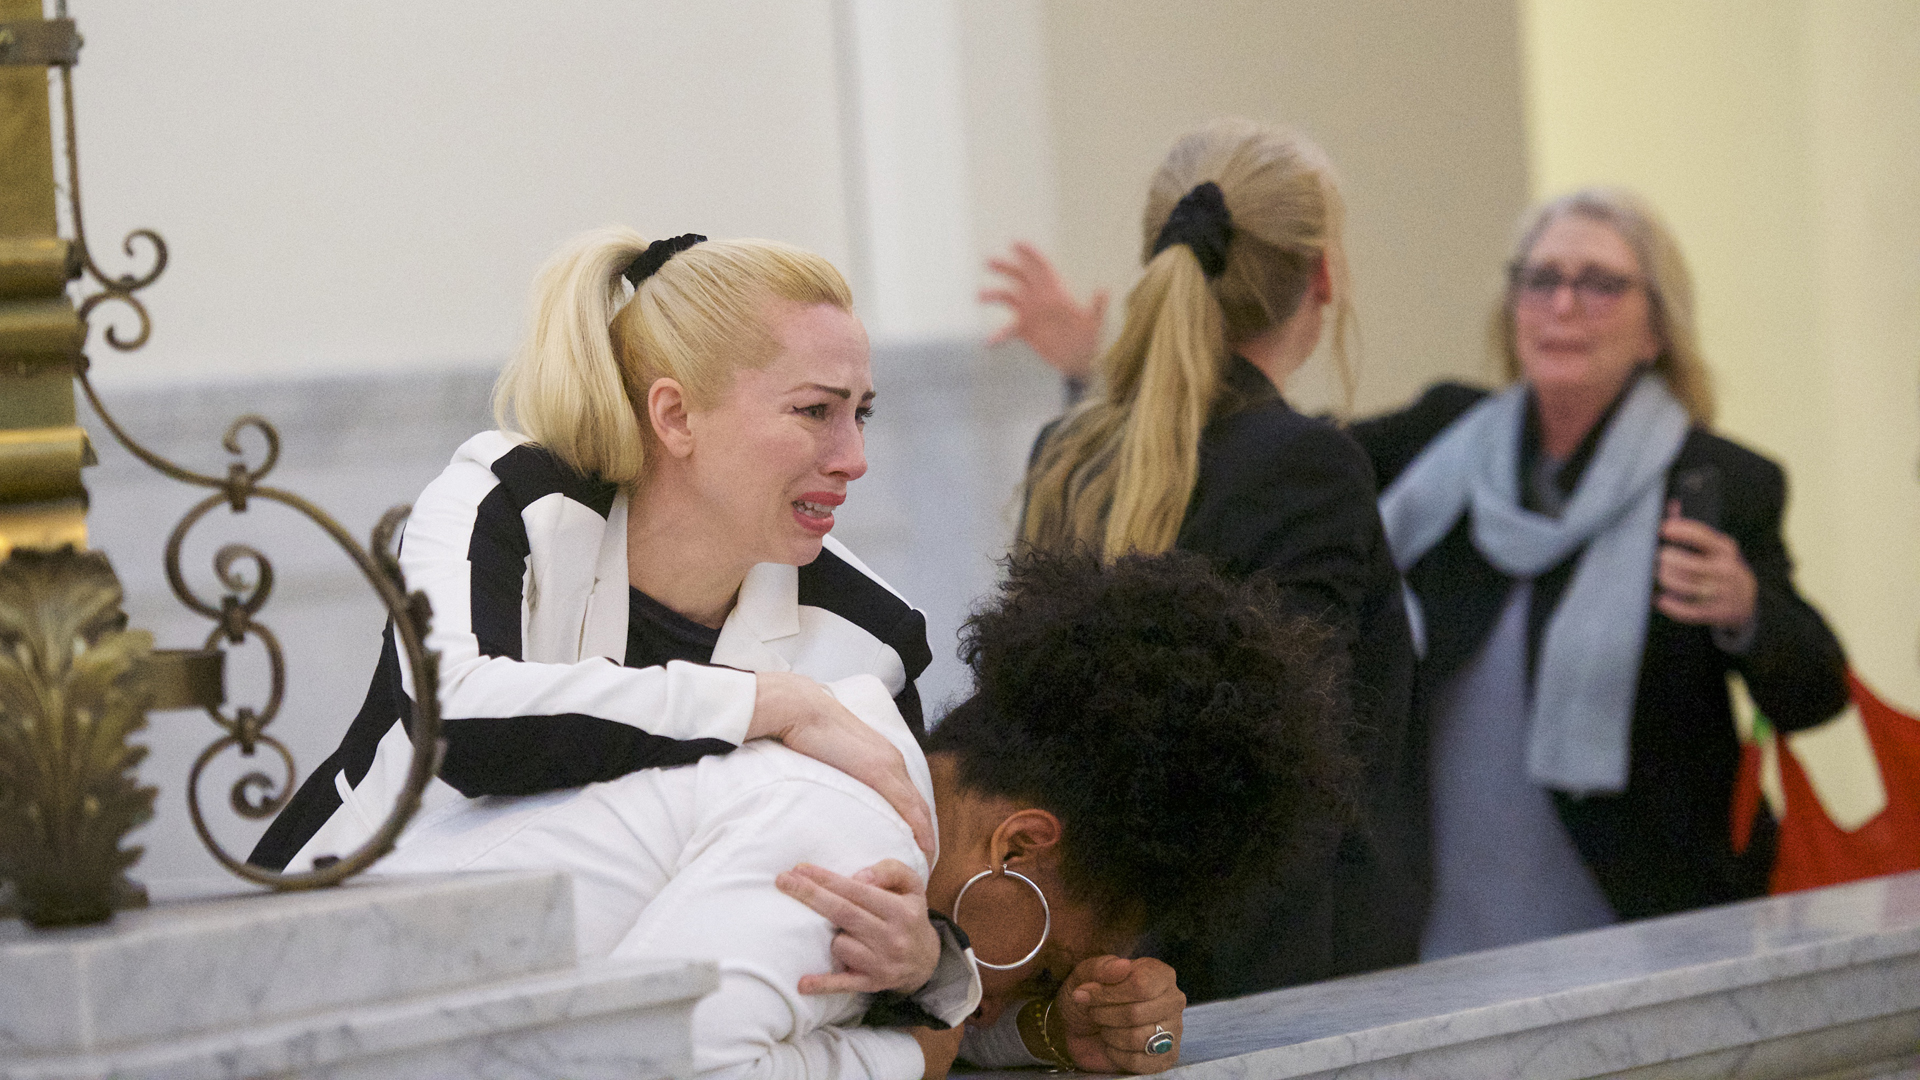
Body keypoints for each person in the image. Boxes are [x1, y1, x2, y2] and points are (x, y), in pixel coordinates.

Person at [252, 228, 958, 1018]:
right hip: (310, 961)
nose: (854, 456)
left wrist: (922, 963)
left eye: (861, 412)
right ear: (676, 416)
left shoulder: (874, 634)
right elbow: (457, 726)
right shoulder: (509, 499)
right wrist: (772, 704)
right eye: (815, 411)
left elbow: (890, 885)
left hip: (578, 1011)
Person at [377, 549, 1357, 1078]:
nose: (1042, 985)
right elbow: (655, 1069)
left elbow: (899, 991)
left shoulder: (888, 804)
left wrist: (1064, 1035)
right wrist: (911, 1052)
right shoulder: (848, 830)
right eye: (1054, 966)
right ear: (1019, 845)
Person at [984, 118, 1423, 1000]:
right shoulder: (1302, 465)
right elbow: (1283, 780)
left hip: (1100, 972)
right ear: (1323, 276)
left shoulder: (1070, 454)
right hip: (1279, 988)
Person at [1349, 187, 1850, 958]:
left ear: (1656, 328)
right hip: (1442, 929)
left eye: (1601, 282)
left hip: (1647, 926)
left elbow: (1815, 693)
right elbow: (1294, 472)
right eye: (1541, 279)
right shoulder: (1440, 445)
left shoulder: (1717, 481)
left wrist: (1746, 609)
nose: (1564, 305)